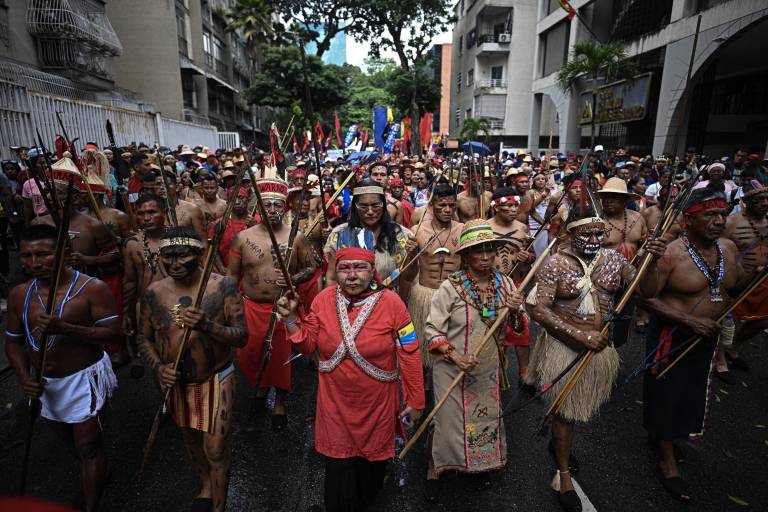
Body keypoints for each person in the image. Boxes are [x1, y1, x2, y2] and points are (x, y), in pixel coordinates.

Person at [527, 208, 667, 512]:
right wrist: (579, 336)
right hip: (566, 348)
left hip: (599, 349)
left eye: (598, 233)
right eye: (585, 234)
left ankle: (559, 444)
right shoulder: (555, 264)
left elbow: (647, 291)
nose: (593, 239)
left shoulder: (614, 260)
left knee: (576, 412)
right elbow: (540, 311)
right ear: (569, 234)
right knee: (565, 412)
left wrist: (652, 262)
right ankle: (563, 474)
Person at [275, 247, 424, 512]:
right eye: (345, 269)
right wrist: (289, 319)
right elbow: (308, 345)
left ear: (372, 271)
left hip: (376, 405)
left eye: (360, 268)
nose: (352, 276)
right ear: (336, 271)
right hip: (335, 405)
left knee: (370, 472)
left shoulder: (393, 303)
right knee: (337, 471)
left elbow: (410, 352)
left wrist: (415, 400)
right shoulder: (322, 300)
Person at [637, 184, 750, 503]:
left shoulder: (728, 248)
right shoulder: (671, 252)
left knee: (691, 392)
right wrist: (688, 320)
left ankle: (665, 435)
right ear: (689, 220)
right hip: (672, 337)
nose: (718, 220)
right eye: (710, 215)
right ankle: (666, 459)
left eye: (721, 214)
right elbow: (644, 297)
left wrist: (757, 270)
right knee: (666, 391)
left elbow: (737, 284)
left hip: (706, 337)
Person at [5, 224, 120, 512]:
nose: (34, 263)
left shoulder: (92, 289)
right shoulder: (20, 294)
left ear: (65, 252)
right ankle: (95, 470)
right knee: (71, 443)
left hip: (84, 379)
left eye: (43, 254)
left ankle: (92, 502)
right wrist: (23, 379)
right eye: (26, 256)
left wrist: (65, 327)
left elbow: (112, 333)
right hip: (45, 384)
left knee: (88, 446)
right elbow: (14, 343)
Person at [138, 227, 248, 512]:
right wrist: (159, 369)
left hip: (217, 378)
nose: (174, 263)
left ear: (199, 255)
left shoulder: (222, 285)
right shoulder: (153, 292)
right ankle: (206, 486)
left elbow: (241, 335)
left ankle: (219, 507)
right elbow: (144, 338)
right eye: (167, 256)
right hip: (177, 382)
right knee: (190, 439)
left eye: (182, 255)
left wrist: (207, 326)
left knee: (216, 449)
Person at [423, 220, 524, 500]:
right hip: (451, 368)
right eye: (477, 252)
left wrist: (515, 311)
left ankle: (480, 466)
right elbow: (432, 329)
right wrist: (454, 355)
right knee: (447, 421)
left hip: (487, 368)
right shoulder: (451, 287)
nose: (484, 257)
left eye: (489, 250)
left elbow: (517, 329)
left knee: (484, 419)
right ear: (465, 256)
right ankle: (436, 466)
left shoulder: (505, 284)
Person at [228, 178, 316, 429]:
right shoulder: (242, 239)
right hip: (251, 308)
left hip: (282, 308)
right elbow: (231, 277)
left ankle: (279, 402)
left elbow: (311, 267)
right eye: (268, 205)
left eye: (279, 205)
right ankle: (259, 390)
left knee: (280, 359)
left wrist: (293, 278)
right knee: (250, 355)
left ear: (285, 208)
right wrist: (230, 307)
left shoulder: (296, 237)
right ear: (258, 208)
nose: (274, 210)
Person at [401, 183, 463, 366]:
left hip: (454, 296)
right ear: (430, 207)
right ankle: (424, 388)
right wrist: (411, 253)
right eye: (441, 205)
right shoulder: (416, 231)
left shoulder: (463, 230)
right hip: (424, 295)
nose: (447, 210)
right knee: (423, 355)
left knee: (452, 352)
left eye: (451, 206)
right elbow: (407, 274)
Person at [325, 179, 412, 298]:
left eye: (376, 205)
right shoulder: (340, 234)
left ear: (384, 205)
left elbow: (408, 277)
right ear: (355, 207)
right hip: (348, 305)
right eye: (363, 206)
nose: (370, 212)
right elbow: (331, 278)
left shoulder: (401, 235)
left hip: (388, 304)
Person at [721, 180, 768, 378]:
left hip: (762, 280)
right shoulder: (731, 223)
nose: (765, 203)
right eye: (759, 199)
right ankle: (719, 359)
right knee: (722, 321)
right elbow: (717, 249)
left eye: (767, 199)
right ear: (747, 201)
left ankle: (733, 346)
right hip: (735, 281)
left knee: (762, 321)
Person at [487, 188, 534, 384]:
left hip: (515, 285)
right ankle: (495, 370)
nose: (514, 209)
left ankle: (525, 371)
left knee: (521, 326)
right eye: (509, 206)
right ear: (497, 207)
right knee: (493, 329)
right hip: (489, 285)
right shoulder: (485, 228)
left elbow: (532, 257)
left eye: (515, 205)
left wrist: (526, 257)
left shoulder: (523, 228)